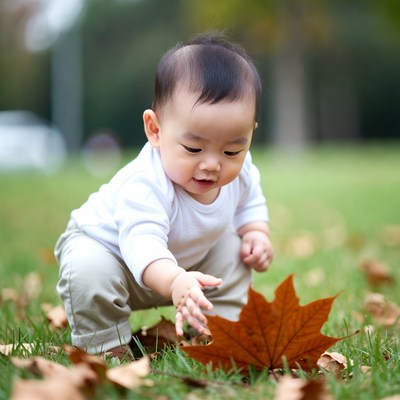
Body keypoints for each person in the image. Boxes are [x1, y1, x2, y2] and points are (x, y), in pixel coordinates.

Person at [55, 32, 273, 359]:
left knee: (232, 250)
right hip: (116, 258)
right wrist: (175, 282)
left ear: (249, 136)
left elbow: (250, 200)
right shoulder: (145, 182)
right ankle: (107, 348)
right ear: (155, 130)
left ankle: (222, 333)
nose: (212, 164)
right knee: (88, 269)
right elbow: (143, 244)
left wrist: (256, 232)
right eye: (193, 148)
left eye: (232, 149)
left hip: (184, 267)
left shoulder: (240, 170)